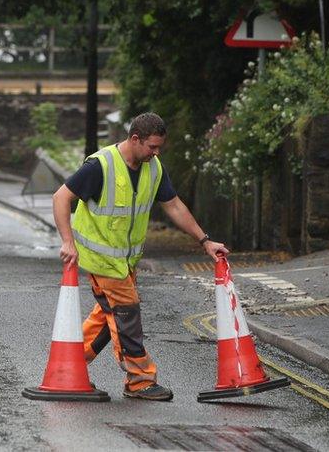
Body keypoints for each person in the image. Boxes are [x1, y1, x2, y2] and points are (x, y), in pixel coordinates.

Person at [52, 112, 228, 401]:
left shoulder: (154, 168)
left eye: (159, 148)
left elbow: (173, 206)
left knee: (108, 318)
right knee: (126, 314)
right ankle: (140, 380)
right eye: (152, 147)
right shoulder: (101, 165)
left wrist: (205, 241)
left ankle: (68, 364)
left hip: (126, 262)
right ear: (135, 139)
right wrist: (67, 242)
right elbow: (61, 197)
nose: (156, 153)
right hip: (101, 260)